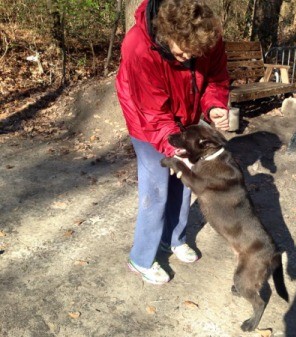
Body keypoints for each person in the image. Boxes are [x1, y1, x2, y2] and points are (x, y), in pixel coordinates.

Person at [115, 0, 230, 284]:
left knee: (184, 179)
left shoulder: (208, 36)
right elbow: (153, 112)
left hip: (187, 118)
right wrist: (173, 145)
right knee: (157, 189)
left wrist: (214, 106)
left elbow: (215, 78)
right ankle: (141, 258)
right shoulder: (138, 46)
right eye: (181, 52)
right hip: (147, 121)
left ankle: (173, 239)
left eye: (194, 53)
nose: (187, 58)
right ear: (166, 33)